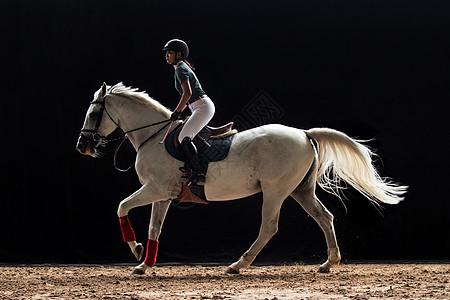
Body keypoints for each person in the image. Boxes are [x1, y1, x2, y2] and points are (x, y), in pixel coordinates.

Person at [163, 39, 215, 185]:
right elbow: (188, 97)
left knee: (183, 137)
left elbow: (187, 93)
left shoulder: (180, 69)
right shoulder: (179, 68)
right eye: (166, 53)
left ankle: (199, 172)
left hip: (202, 107)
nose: (167, 55)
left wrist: (177, 111)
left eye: (170, 53)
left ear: (179, 55)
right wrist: (180, 111)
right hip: (197, 106)